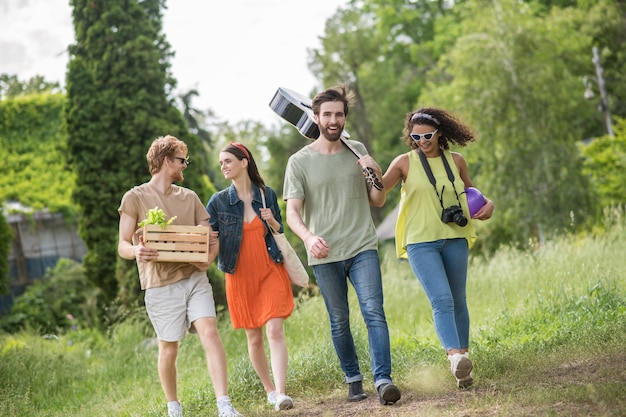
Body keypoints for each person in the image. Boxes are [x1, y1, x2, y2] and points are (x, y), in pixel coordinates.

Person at [283, 85, 401, 405]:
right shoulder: (299, 162)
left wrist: (374, 169)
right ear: (316, 118)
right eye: (327, 114)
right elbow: (292, 213)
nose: (334, 120)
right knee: (339, 320)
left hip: (362, 245)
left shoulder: (356, 149)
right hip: (325, 253)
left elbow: (378, 199)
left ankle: (383, 379)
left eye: (339, 114)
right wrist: (308, 238)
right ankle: (353, 379)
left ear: (344, 117)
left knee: (374, 311)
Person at [117, 135, 243, 417]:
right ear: (165, 161)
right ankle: (174, 408)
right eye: (181, 160)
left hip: (194, 279)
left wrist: (207, 260)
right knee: (169, 347)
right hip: (161, 284)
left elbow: (210, 238)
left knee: (210, 333)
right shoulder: (135, 198)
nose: (185, 165)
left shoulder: (190, 197)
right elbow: (123, 244)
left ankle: (224, 405)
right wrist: (136, 251)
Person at [380, 108, 494, 388]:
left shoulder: (456, 161)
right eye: (416, 136)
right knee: (441, 299)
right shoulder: (403, 163)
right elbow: (378, 193)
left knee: (458, 300)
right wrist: (367, 169)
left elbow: (471, 192)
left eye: (428, 135)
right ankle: (454, 357)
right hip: (420, 241)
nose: (423, 140)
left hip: (455, 236)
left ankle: (464, 365)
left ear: (440, 132)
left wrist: (488, 204)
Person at [206, 142, 295, 411]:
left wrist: (273, 221)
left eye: (227, 161)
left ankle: (281, 393)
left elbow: (280, 232)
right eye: (221, 163)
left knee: (274, 329)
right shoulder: (218, 202)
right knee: (254, 338)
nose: (223, 166)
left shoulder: (267, 194)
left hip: (270, 269)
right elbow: (210, 240)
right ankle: (269, 390)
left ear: (244, 162)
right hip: (240, 276)